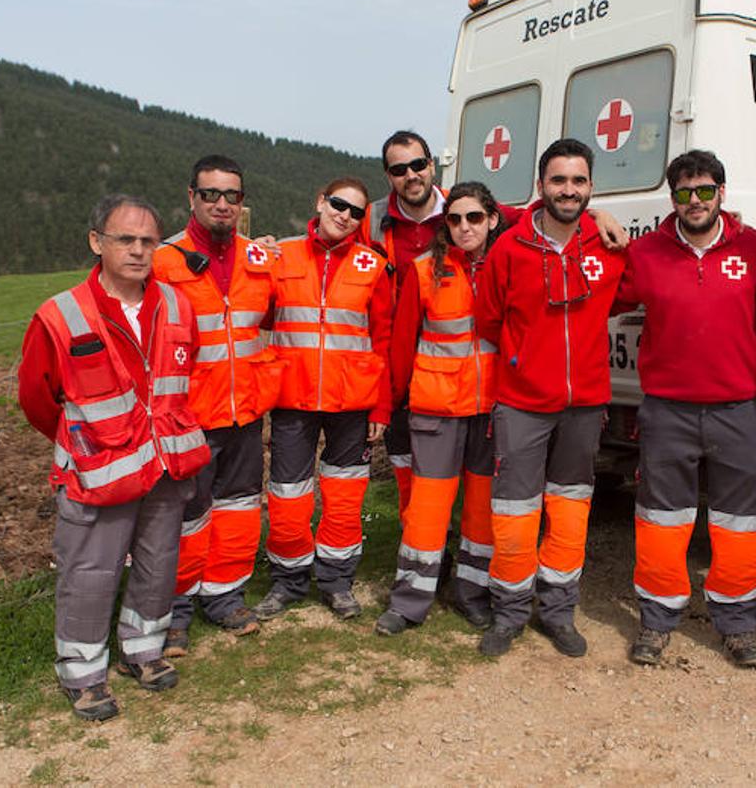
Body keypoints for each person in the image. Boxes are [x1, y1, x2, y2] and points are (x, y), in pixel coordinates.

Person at [362, 130, 629, 527]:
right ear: (387, 175)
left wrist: (595, 214)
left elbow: (548, 212)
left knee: (482, 501)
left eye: (418, 164)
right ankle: (425, 568)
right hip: (423, 387)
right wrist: (388, 400)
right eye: (399, 169)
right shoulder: (372, 219)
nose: (411, 175)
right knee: (420, 496)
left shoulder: (467, 202)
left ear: (432, 165)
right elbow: (332, 227)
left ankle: (472, 578)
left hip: (486, 392)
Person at [18, 195, 210, 721]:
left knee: (158, 562)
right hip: (97, 469)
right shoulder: (61, 315)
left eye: (148, 240)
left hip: (165, 464)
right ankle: (82, 675)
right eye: (125, 239)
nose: (138, 250)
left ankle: (142, 650)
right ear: (96, 241)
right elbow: (38, 398)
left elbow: (183, 374)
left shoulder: (176, 304)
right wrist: (87, 442)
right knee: (89, 571)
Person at [614, 150, 756, 668]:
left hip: (738, 409)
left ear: (722, 194)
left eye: (705, 190)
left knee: (739, 524)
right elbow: (600, 286)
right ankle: (658, 620)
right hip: (667, 411)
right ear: (673, 198)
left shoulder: (754, 247)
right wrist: (597, 218)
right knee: (662, 520)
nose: (695, 201)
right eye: (684, 193)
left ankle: (738, 624)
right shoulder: (646, 253)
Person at [474, 138, 627, 658]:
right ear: (541, 186)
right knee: (514, 512)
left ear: (591, 187)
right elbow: (489, 319)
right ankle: (510, 612)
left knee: (570, 511)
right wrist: (522, 361)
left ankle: (558, 612)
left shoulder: (608, 247)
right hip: (521, 403)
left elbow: (632, 290)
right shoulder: (509, 250)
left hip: (584, 405)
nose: (569, 189)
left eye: (579, 181)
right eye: (558, 180)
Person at [153, 155, 280, 655]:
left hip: (246, 412)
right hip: (188, 417)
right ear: (191, 198)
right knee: (186, 515)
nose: (221, 204)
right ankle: (175, 610)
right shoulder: (163, 261)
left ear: (242, 202)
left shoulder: (260, 258)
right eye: (211, 194)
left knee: (240, 509)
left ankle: (225, 597)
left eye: (232, 195)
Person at [254, 177, 393, 620]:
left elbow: (383, 341)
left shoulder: (374, 266)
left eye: (356, 212)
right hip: (292, 398)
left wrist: (381, 407)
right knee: (288, 496)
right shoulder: (281, 256)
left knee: (345, 496)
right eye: (338, 205)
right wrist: (252, 251)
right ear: (320, 201)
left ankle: (336, 581)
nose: (345, 216)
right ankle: (289, 580)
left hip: (351, 402)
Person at [375, 182, 504, 635]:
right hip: (434, 409)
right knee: (427, 512)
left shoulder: (506, 266)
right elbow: (403, 340)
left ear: (492, 219)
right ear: (443, 225)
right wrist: (390, 404)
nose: (464, 226)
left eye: (474, 217)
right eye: (454, 219)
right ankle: (408, 601)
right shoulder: (422, 269)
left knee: (481, 512)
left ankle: (473, 593)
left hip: (491, 411)